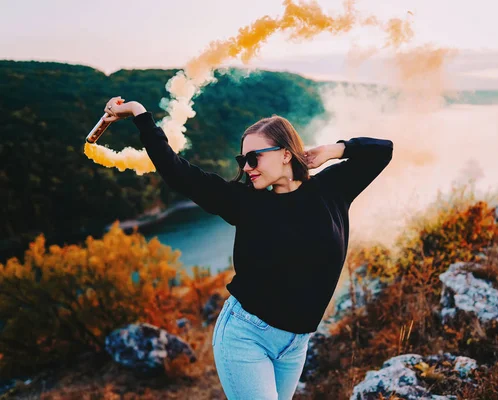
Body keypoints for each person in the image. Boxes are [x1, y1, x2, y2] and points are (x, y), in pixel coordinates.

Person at [103, 96, 393, 399]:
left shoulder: (332, 188)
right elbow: (175, 170)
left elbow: (382, 151)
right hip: (245, 336)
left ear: (284, 153)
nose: (247, 167)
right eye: (243, 160)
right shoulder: (245, 202)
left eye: (254, 157)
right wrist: (138, 112)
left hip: (296, 344)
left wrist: (332, 150)